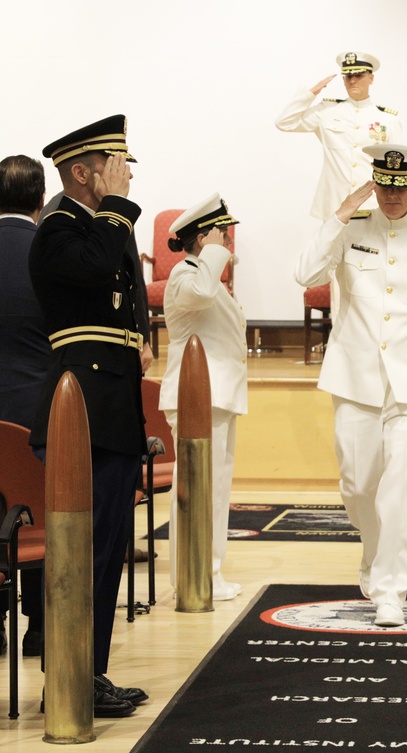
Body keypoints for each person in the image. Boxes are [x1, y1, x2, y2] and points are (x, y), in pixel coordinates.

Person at [294, 145, 407, 627]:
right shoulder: (350, 230)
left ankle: (392, 589)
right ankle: (374, 548)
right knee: (358, 483)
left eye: (401, 185)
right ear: (374, 183)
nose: (392, 195)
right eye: (384, 185)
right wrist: (338, 215)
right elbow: (304, 273)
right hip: (355, 380)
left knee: (404, 490)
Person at [29, 115, 148, 717]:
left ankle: (88, 671)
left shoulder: (98, 225)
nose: (124, 176)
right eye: (113, 167)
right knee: (84, 552)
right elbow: (98, 268)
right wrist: (120, 206)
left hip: (112, 412)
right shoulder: (59, 227)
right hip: (83, 416)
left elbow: (127, 294)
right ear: (83, 172)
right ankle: (69, 676)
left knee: (106, 552)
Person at [159, 194, 247, 601]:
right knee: (198, 488)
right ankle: (195, 574)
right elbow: (199, 296)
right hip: (198, 395)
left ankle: (207, 570)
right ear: (203, 238)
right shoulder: (185, 274)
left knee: (214, 489)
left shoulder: (200, 273)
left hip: (217, 395)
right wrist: (212, 252)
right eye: (220, 234)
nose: (228, 242)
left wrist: (212, 252)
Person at [0, 155, 48, 656]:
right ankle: (38, 624)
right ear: (40, 200)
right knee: (40, 512)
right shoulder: (49, 252)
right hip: (37, 407)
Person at [275, 51, 403, 220]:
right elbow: (284, 122)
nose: (353, 80)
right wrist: (311, 93)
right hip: (334, 204)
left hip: (371, 203)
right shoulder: (326, 111)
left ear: (371, 78)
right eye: (348, 76)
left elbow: (398, 168)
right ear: (343, 80)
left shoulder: (387, 119)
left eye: (358, 75)